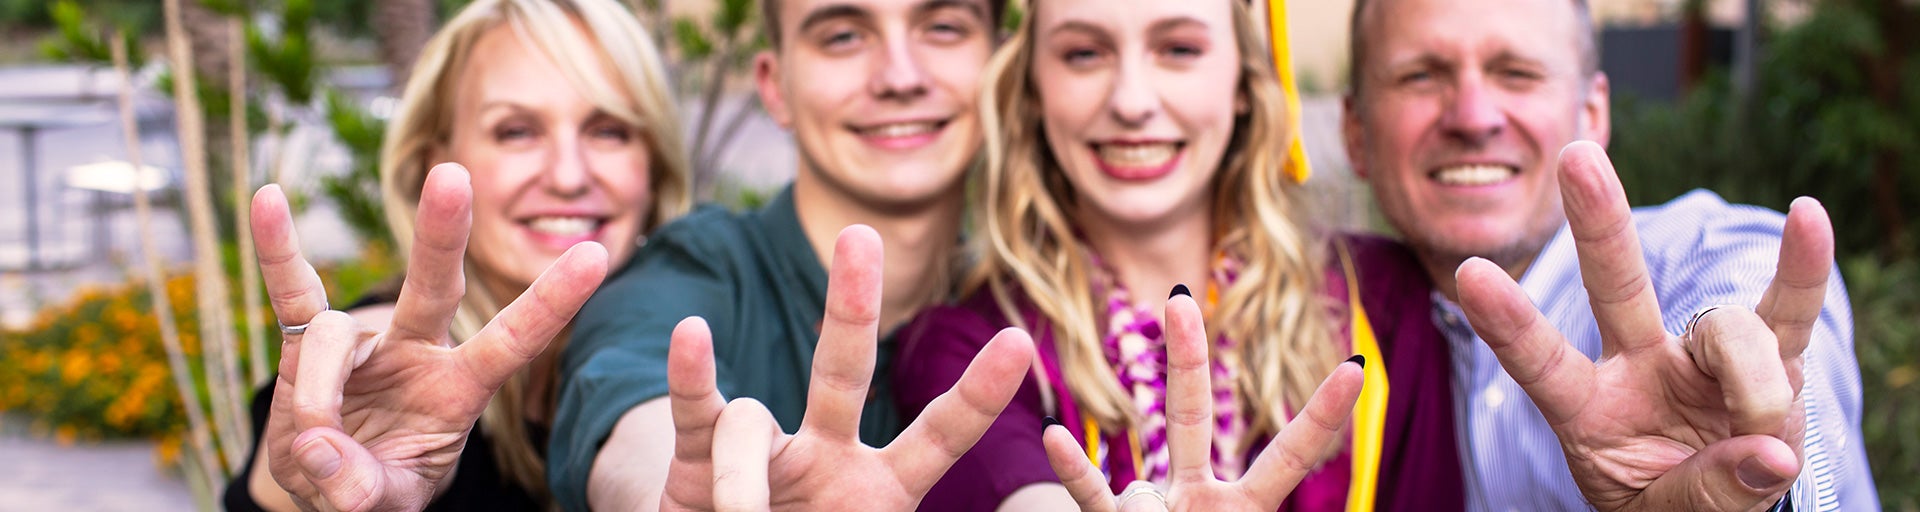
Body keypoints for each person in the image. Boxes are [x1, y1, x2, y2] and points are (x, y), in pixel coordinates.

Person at [892, 0, 1463, 509]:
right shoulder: (971, 352)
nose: (1132, 102)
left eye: (1180, 48)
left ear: (1245, 78)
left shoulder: (1385, 304)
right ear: (1033, 90)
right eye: (1084, 53)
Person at [1340, 0, 1876, 509]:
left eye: (1518, 73)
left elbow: (1756, 310)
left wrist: (1751, 459)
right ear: (1355, 132)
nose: (1473, 118)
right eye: (1420, 77)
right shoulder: (1334, 313)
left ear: (1592, 114)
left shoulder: (1697, 251)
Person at [544, 0, 1028, 509]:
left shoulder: (1050, 314)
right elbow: (631, 392)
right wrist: (669, 493)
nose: (900, 77)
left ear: (1001, 70)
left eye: (944, 28)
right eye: (843, 36)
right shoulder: (695, 269)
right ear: (775, 86)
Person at [227, 0, 690, 509]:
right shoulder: (386, 361)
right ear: (436, 158)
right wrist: (334, 447)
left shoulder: (708, 344)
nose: (569, 175)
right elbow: (321, 445)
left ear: (655, 167)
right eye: (516, 131)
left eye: (609, 131)